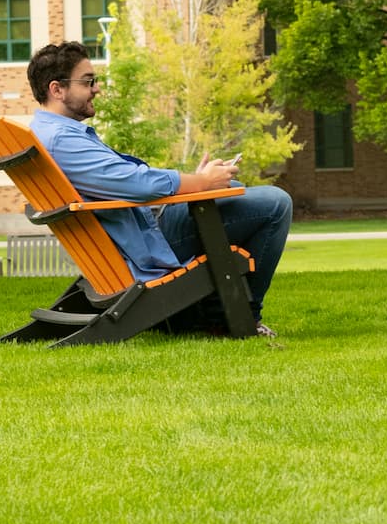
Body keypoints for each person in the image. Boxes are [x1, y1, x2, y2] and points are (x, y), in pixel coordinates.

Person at [27, 41, 293, 336]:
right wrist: (201, 183)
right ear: (57, 89)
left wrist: (198, 181)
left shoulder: (47, 132)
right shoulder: (63, 140)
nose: (97, 89)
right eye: (88, 81)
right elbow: (138, 184)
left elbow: (124, 181)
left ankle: (207, 311)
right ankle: (240, 318)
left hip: (132, 234)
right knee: (275, 203)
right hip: (142, 246)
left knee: (233, 189)